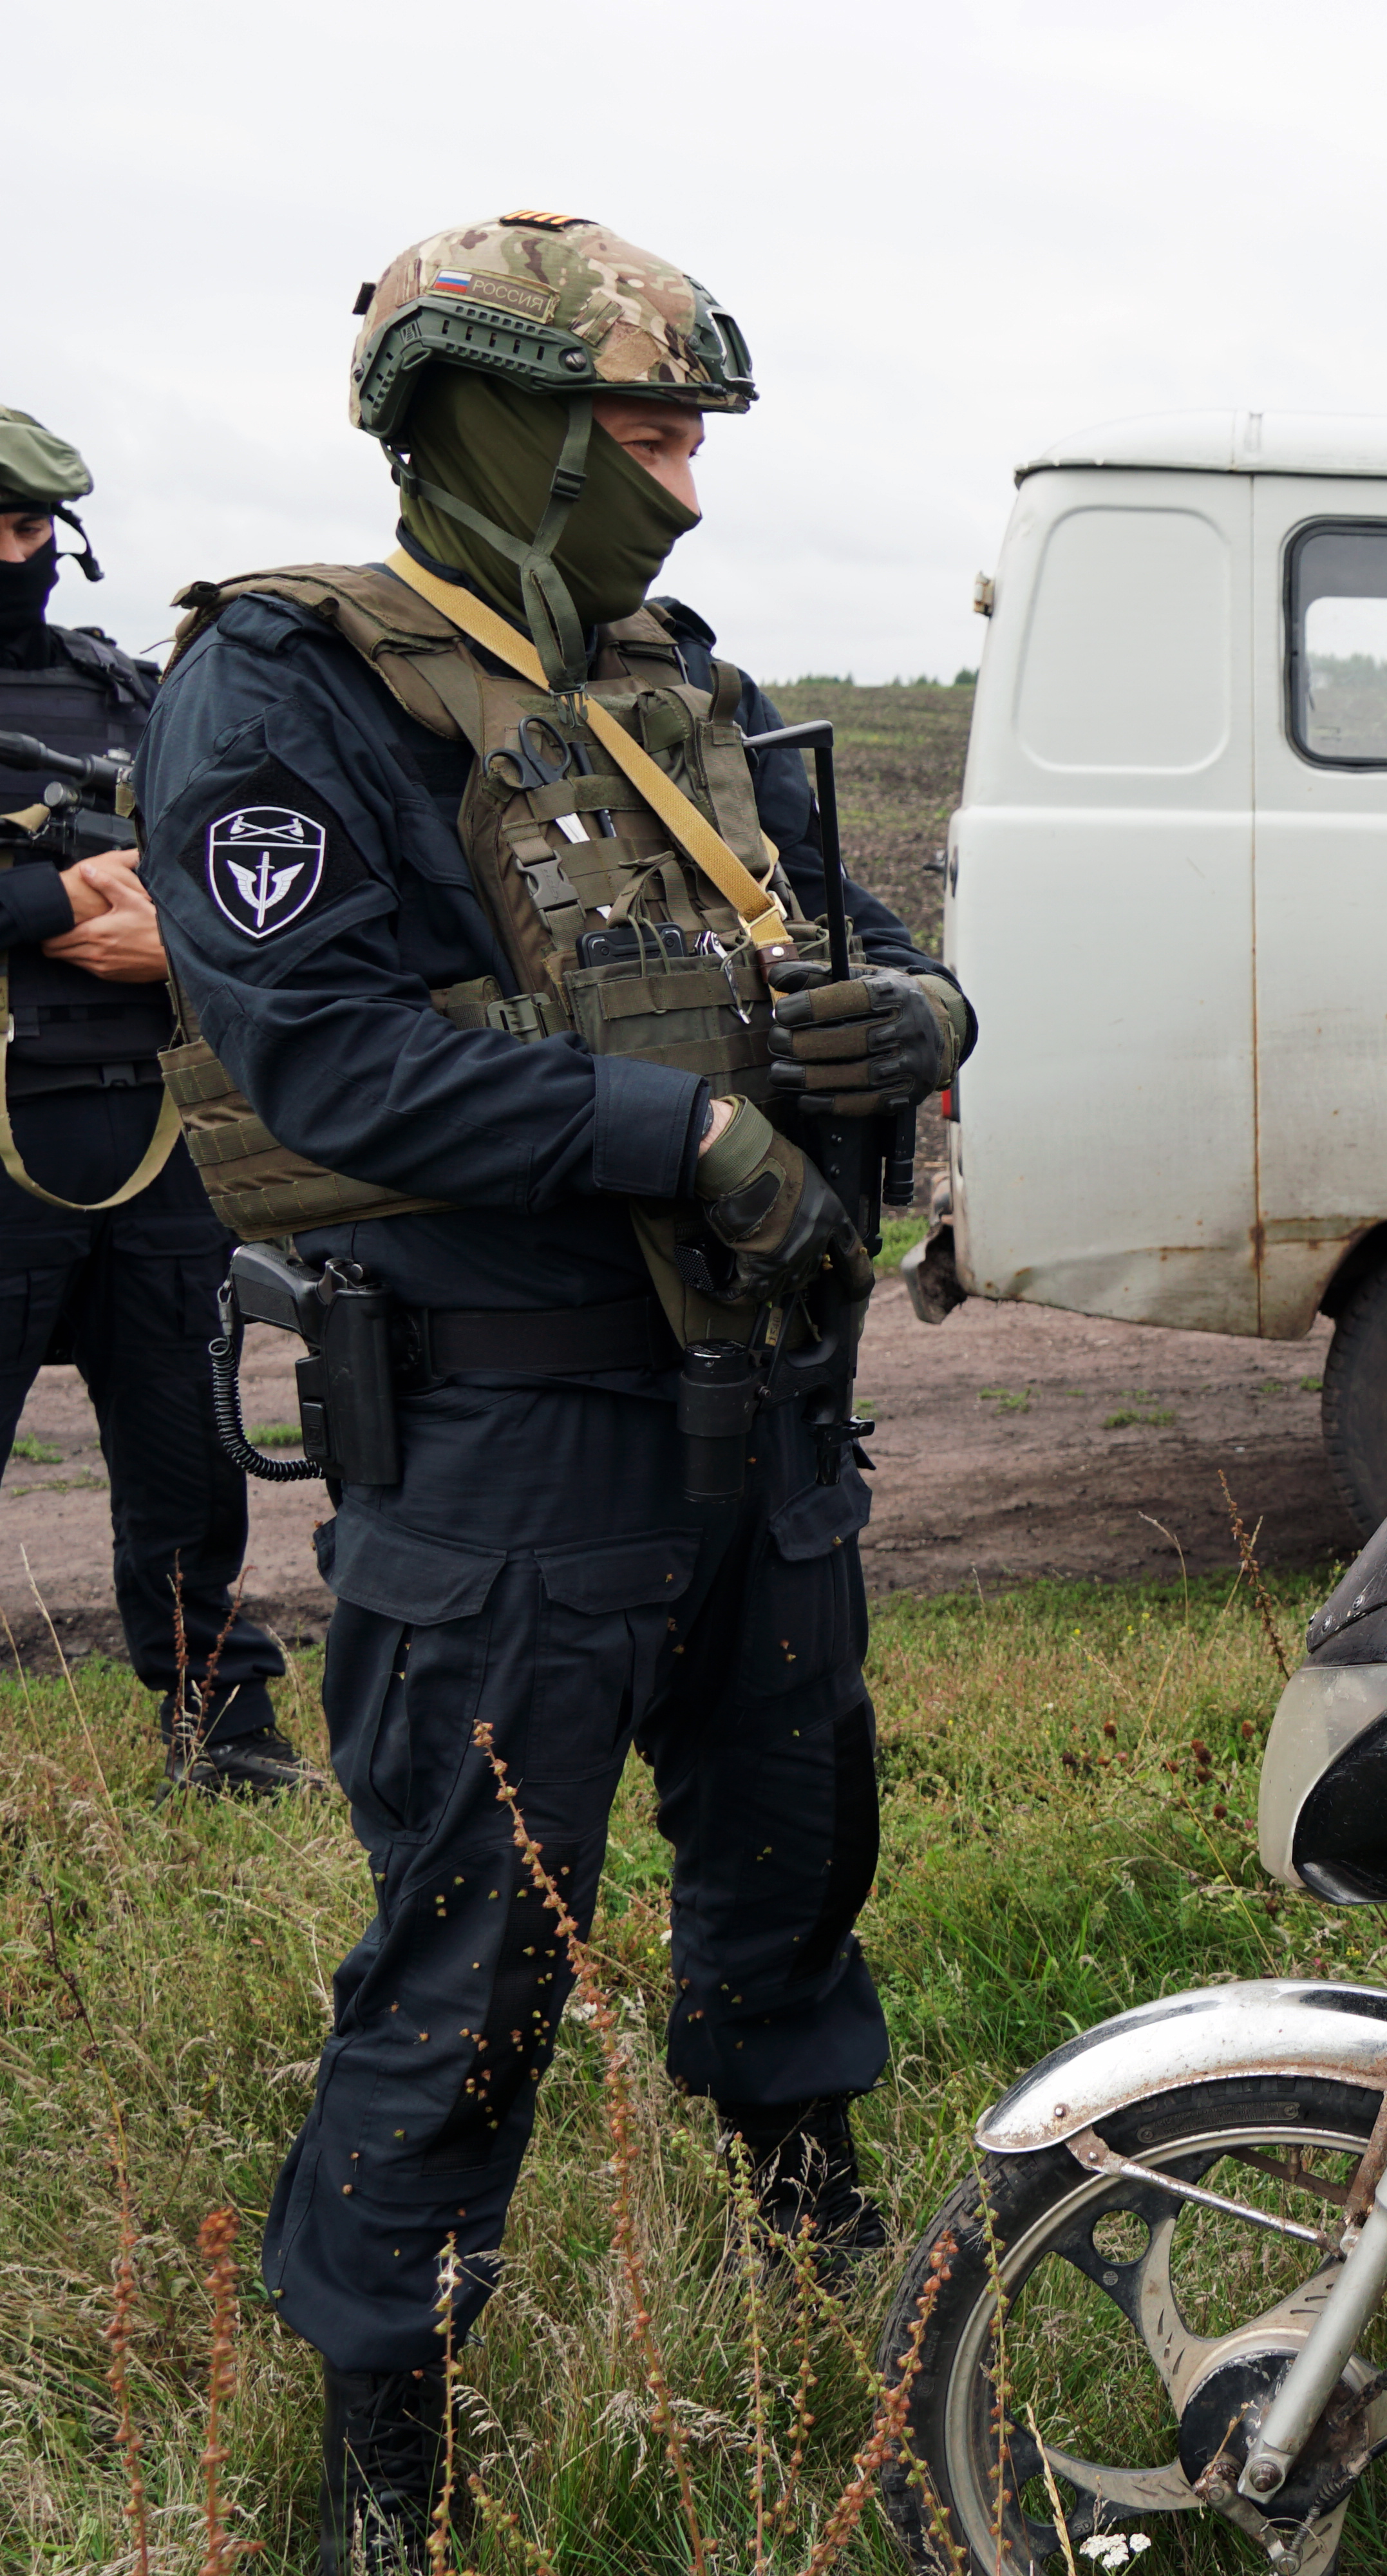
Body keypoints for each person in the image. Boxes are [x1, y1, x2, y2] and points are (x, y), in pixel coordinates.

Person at [138, 213, 972, 2571]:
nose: (689, 476)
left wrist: (925, 1022)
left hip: (765, 1431)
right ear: (496, 419)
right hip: (521, 1442)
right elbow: (325, 1046)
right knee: (478, 1939)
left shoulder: (670, 683)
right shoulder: (290, 691)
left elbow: (842, 930)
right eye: (648, 423)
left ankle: (819, 2255)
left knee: (800, 1861)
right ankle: (382, 2442)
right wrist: (684, 1134)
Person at [0, 408, 302, 1793]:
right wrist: (46, 898)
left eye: (31, 528)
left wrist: (169, 933)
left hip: (158, 1137)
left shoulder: (127, 693)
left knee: (189, 1462)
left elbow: (248, 864)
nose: (20, 554)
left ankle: (223, 1739)